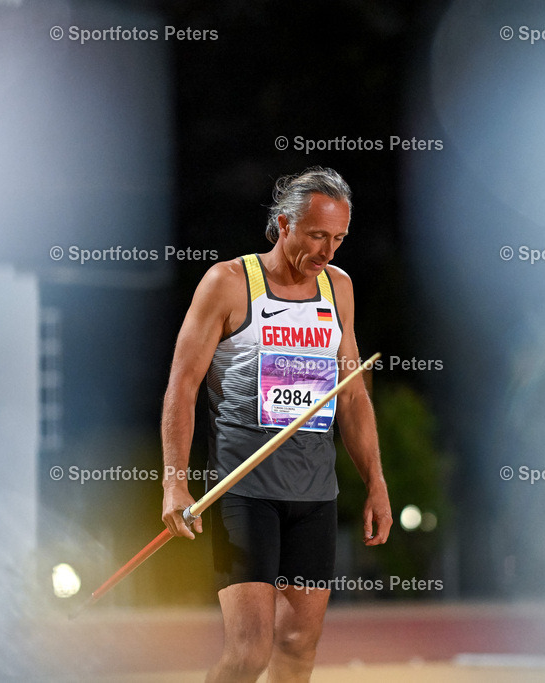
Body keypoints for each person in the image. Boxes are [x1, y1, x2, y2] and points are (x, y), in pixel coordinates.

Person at [160, 167, 392, 682]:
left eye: (339, 238)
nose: (328, 250)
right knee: (250, 652)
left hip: (314, 493)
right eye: (317, 235)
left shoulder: (338, 289)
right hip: (244, 491)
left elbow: (352, 394)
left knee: (297, 647)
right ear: (284, 224)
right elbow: (183, 385)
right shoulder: (228, 283)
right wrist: (174, 481)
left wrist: (376, 483)